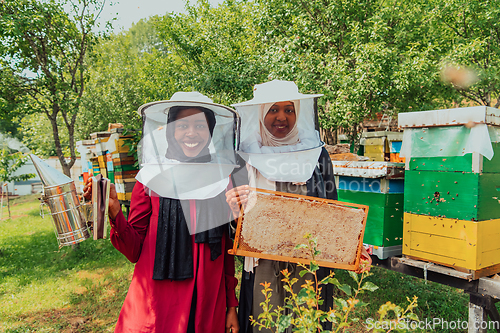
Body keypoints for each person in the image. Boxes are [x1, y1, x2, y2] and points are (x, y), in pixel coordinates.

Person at [84, 92, 245, 333]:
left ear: (211, 131)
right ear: (170, 131)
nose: (192, 132)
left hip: (207, 301)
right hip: (157, 302)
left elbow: (224, 251)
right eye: (183, 125)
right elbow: (133, 249)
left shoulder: (223, 178)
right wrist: (115, 212)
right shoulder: (149, 179)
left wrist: (231, 305)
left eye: (200, 125)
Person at [226, 80, 371, 333]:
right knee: (265, 324)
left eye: (288, 110)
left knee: (307, 323)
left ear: (298, 113)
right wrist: (234, 212)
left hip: (309, 263)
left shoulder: (317, 155)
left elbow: (332, 210)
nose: (281, 117)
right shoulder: (245, 158)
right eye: (273, 109)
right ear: (261, 114)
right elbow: (235, 228)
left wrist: (351, 247)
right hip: (263, 264)